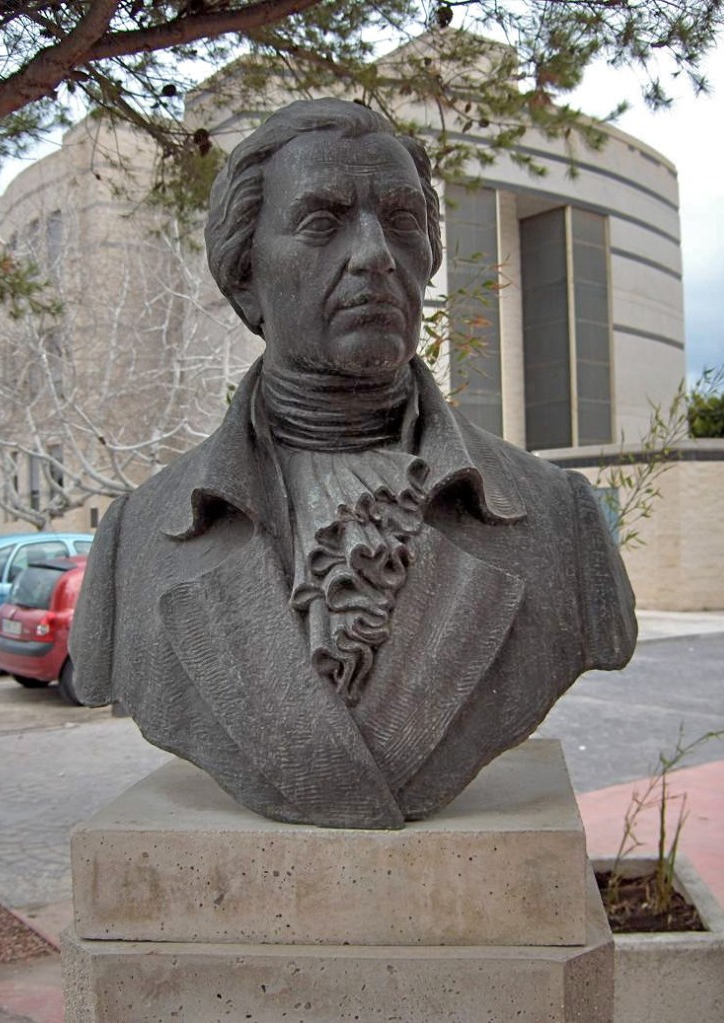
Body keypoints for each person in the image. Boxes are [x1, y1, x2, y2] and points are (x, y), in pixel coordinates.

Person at [70, 98, 636, 829]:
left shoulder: (561, 517)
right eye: (320, 223)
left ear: (429, 258)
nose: (374, 254)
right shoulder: (134, 539)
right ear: (244, 274)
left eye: (402, 222)